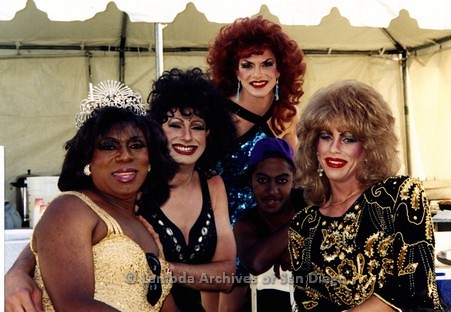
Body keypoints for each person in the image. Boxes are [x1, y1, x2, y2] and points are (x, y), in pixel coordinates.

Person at [288, 80, 444, 311]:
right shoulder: (303, 226)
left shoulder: (400, 196)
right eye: (326, 136)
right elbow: (308, 303)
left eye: (348, 138)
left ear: (370, 147)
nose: (334, 148)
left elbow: (412, 287)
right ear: (313, 146)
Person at [30, 96, 178, 310]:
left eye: (136, 145)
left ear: (150, 160)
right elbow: (74, 305)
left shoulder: (143, 225)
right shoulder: (71, 209)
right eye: (109, 147)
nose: (125, 156)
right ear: (88, 160)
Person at [206, 15, 306, 310]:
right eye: (246, 65)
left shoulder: (286, 115)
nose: (257, 73)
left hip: (257, 225)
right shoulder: (216, 113)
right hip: (216, 223)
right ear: (234, 71)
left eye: (266, 63)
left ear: (281, 69)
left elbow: (294, 178)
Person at [142, 67, 238, 311]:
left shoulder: (213, 185)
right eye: (175, 125)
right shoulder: (138, 183)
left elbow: (226, 277)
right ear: (157, 131)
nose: (186, 136)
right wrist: (26, 269)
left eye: (196, 126)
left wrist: (166, 269)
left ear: (209, 133)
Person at [233, 137, 306, 312]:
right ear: (251, 181)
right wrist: (295, 230)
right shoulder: (247, 222)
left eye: (282, 180)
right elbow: (256, 263)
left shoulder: (308, 203)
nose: (272, 190)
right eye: (263, 180)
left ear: (293, 181)